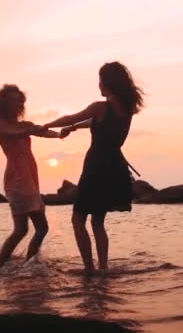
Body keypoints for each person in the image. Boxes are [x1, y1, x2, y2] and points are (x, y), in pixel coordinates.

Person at [43, 61, 145, 272]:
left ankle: (89, 268)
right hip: (115, 167)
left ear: (107, 83)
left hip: (97, 167)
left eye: (100, 80)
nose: (98, 85)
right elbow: (93, 122)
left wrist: (45, 125)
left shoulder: (100, 107)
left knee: (78, 219)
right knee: (97, 222)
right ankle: (103, 268)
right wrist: (74, 128)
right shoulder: (126, 110)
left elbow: (74, 116)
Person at [0, 84, 61, 270]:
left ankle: (29, 264)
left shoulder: (26, 125)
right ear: (4, 104)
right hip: (17, 181)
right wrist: (33, 129)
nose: (17, 104)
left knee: (41, 228)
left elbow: (44, 132)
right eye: (14, 101)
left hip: (30, 180)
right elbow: (14, 133)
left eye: (19, 101)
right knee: (21, 229)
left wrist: (60, 134)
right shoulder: (0, 125)